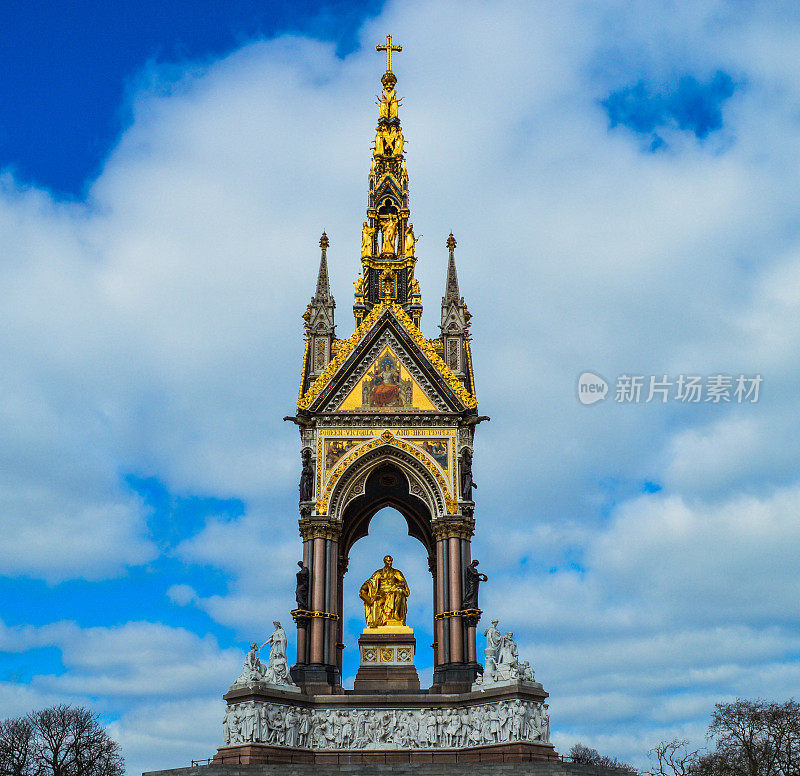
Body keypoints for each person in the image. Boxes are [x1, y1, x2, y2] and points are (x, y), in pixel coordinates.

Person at [359, 555, 410, 628]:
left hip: (393, 592)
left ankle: (396, 613)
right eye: (388, 561)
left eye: (391, 561)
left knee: (400, 591)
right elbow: (371, 582)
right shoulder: (379, 573)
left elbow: (403, 583)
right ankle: (375, 622)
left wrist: (396, 585)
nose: (390, 562)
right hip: (382, 593)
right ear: (384, 562)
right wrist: (364, 588)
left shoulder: (396, 572)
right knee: (376, 601)